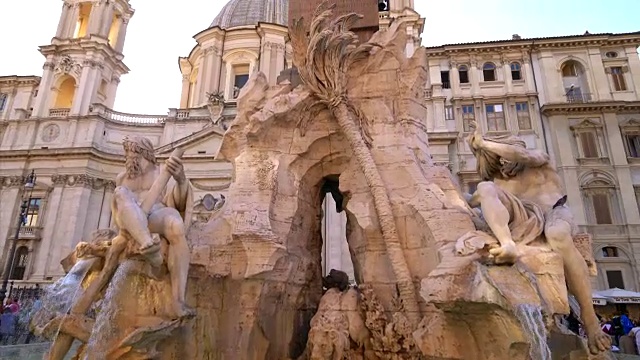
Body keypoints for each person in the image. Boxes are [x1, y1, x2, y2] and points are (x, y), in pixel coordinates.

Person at [465, 121, 610, 354]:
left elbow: (520, 154)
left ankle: (590, 319)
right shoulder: (499, 182)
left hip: (554, 212)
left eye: (502, 159)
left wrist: (485, 143)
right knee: (484, 189)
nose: (502, 167)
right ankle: (507, 244)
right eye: (497, 164)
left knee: (557, 235)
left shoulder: (536, 158)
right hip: (526, 220)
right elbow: (472, 201)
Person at [111, 136, 193, 318]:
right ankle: (148, 245)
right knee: (120, 193)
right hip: (131, 224)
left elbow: (178, 202)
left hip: (155, 216)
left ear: (146, 154)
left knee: (175, 224)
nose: (129, 159)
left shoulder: (162, 173)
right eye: (128, 154)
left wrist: (180, 180)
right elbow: (118, 209)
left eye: (134, 154)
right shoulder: (122, 179)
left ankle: (178, 299)